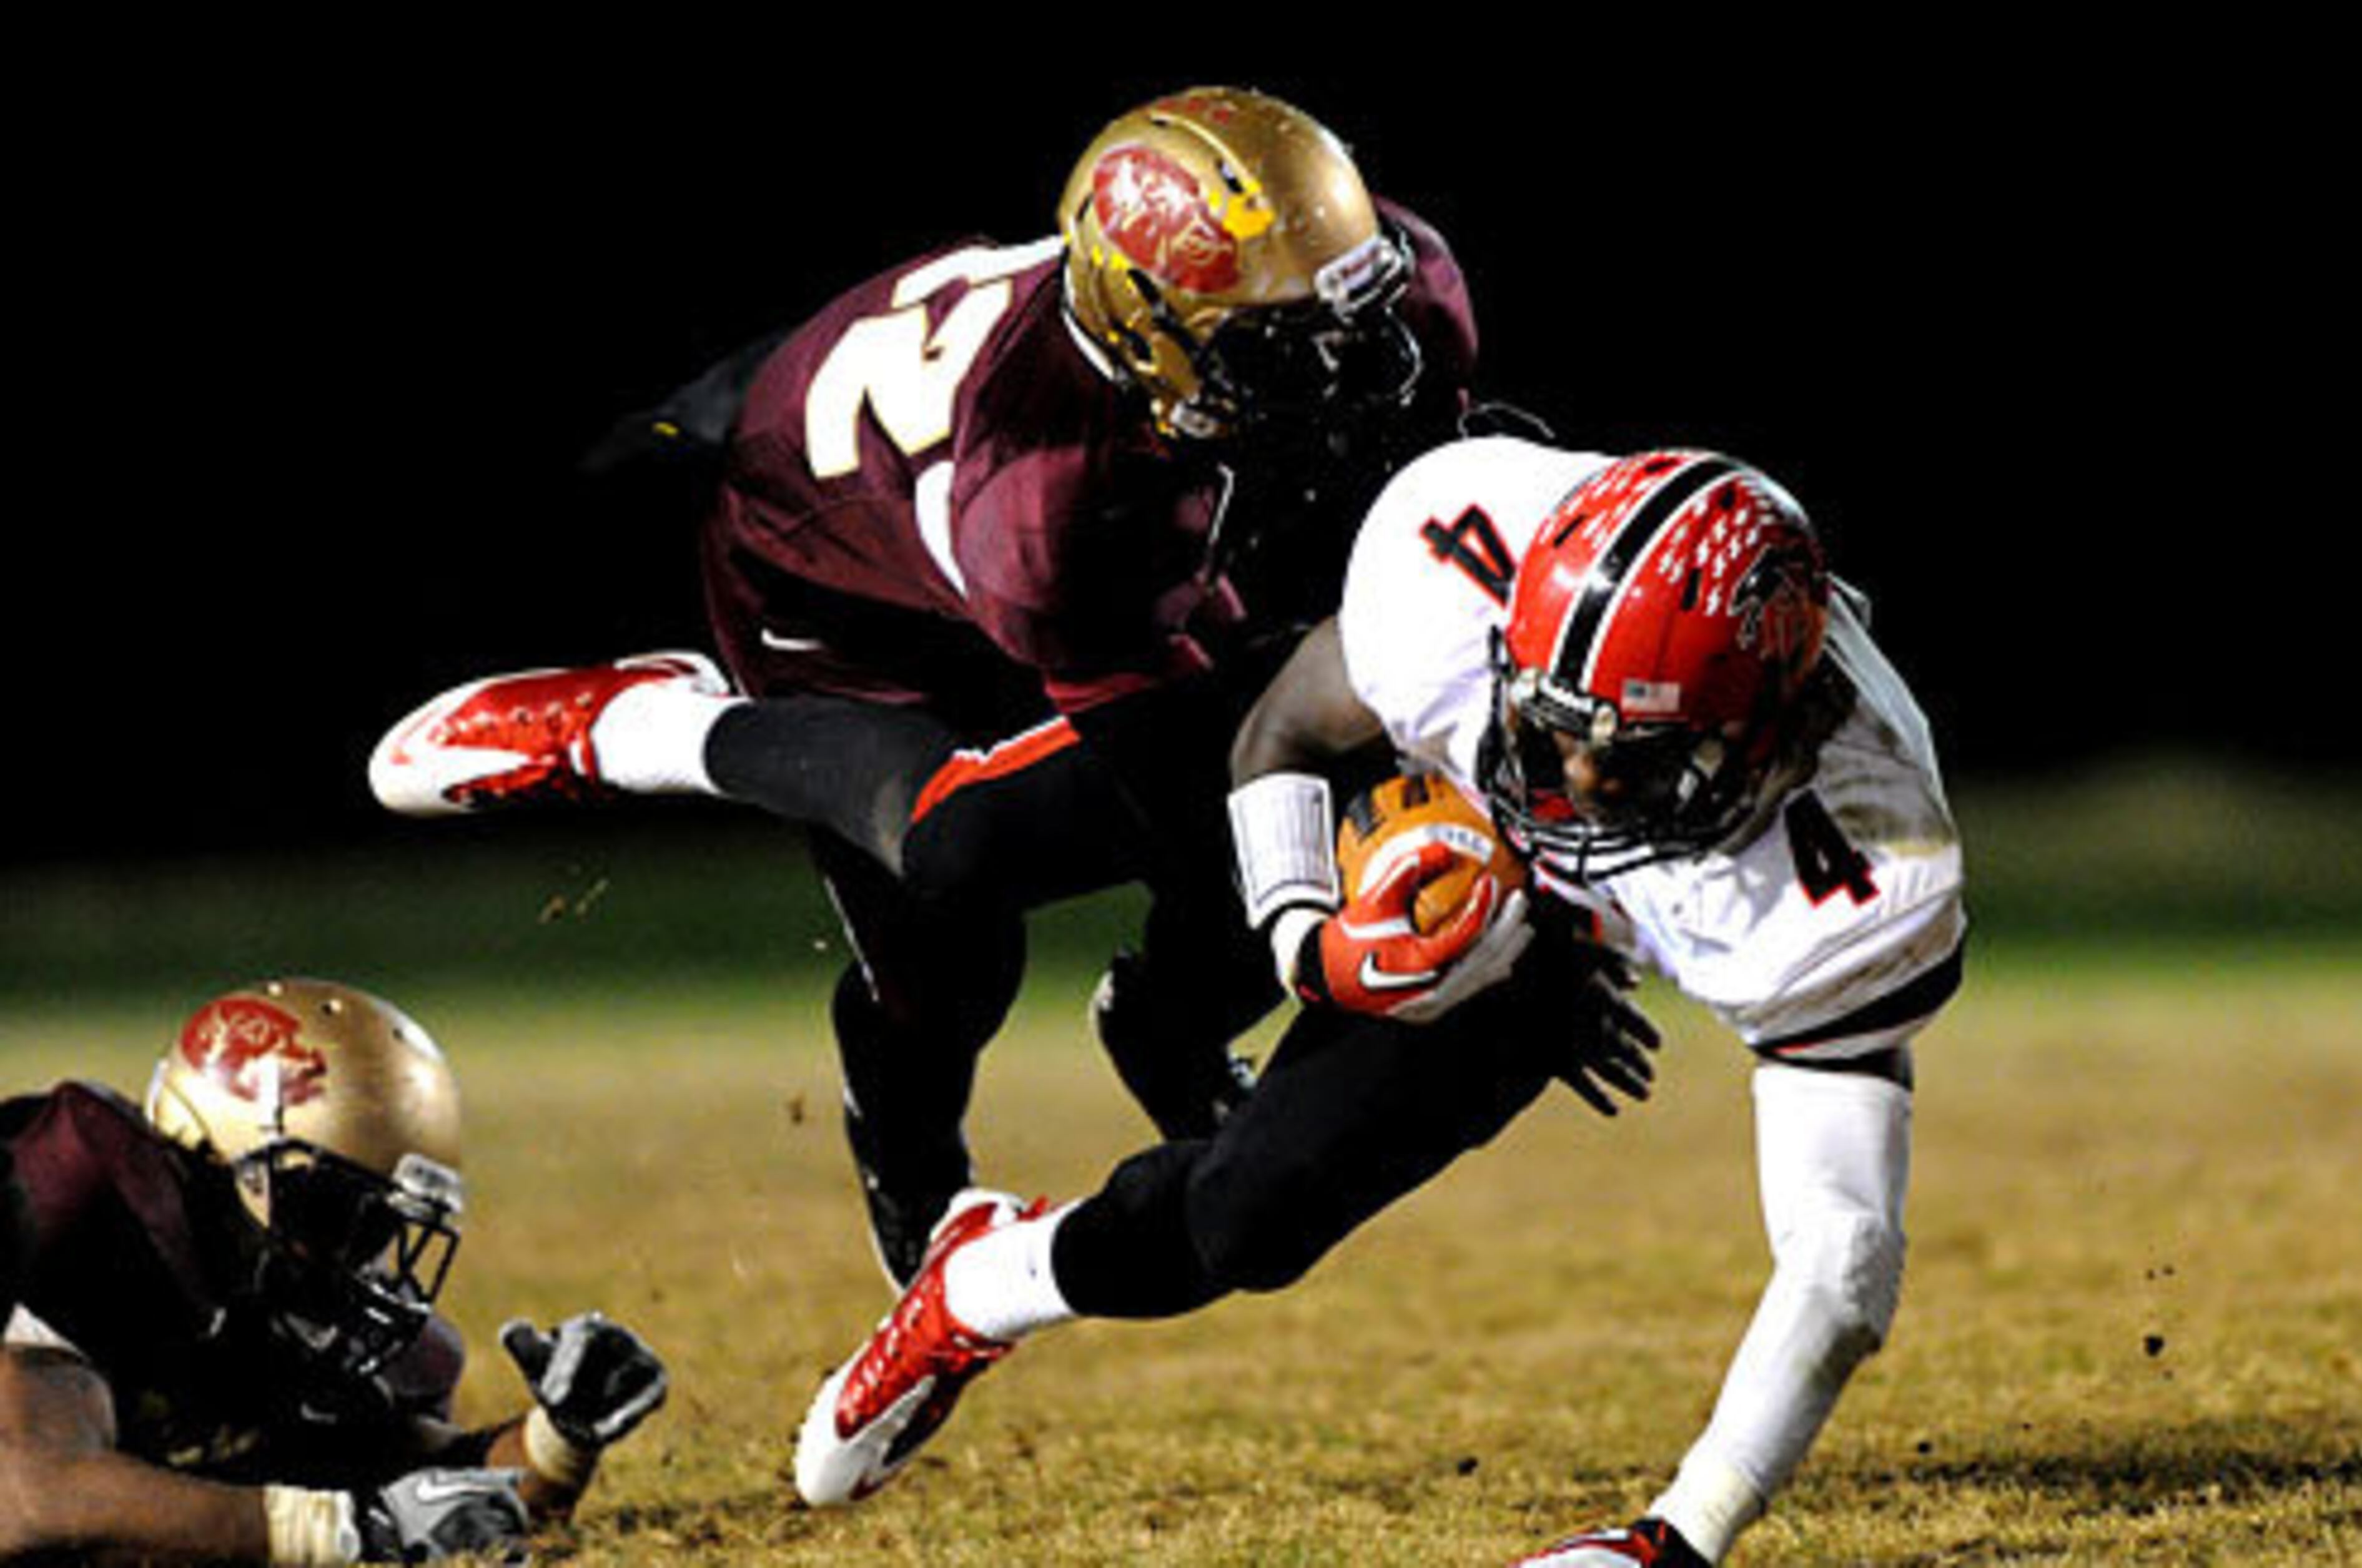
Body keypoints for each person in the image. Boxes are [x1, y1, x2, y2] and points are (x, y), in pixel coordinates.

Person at [367, 86, 1485, 1288]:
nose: (1338, 356)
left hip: (1086, 510)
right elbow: (1198, 785)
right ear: (1149, 329)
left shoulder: (1383, 286)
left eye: (1345, 309)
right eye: (1277, 341)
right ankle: (665, 730)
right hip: (830, 583)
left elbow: (1433, 497)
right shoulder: (1051, 499)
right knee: (956, 899)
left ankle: (1162, 1024)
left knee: (1291, 765)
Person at [788, 438, 1968, 1568]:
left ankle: (983, 1280)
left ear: (1768, 735)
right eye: (1558, 732)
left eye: (1636, 761)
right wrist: (1310, 942)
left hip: (1550, 924)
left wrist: (1683, 1534)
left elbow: (1842, 1261)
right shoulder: (1461, 567)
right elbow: (1283, 732)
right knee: (975, 839)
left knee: (1248, 1222)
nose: (1579, 784)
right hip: (1414, 781)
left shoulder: (1865, 869)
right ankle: (1156, 1006)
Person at [0, 977, 668, 1565]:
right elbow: (31, 1499)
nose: (353, 1258)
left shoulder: (259, 1296)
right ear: (214, 1159)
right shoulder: (76, 1210)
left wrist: (557, 1440)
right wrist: (349, 1531)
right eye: (326, 1211)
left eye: (376, 1228)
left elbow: (440, 1492)